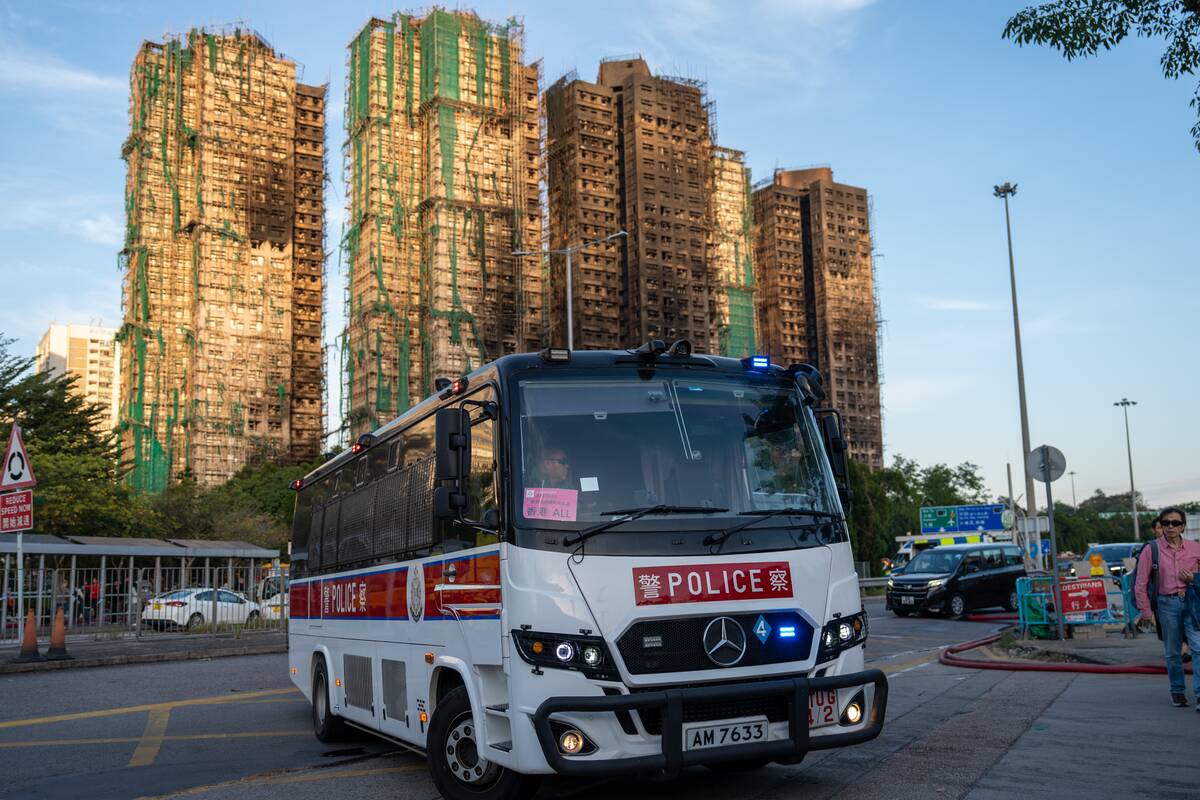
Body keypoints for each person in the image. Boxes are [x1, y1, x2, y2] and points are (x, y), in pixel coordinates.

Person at [1134, 507, 1200, 708]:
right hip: (1167, 604)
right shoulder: (1151, 549)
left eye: (1175, 523)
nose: (1170, 527)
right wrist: (1145, 612)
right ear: (1160, 526)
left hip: (1193, 603)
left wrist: (1194, 578)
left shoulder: (1195, 548)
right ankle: (1177, 690)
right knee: (1173, 652)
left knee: (1198, 648)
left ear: (1183, 526)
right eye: (1166, 523)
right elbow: (1140, 583)